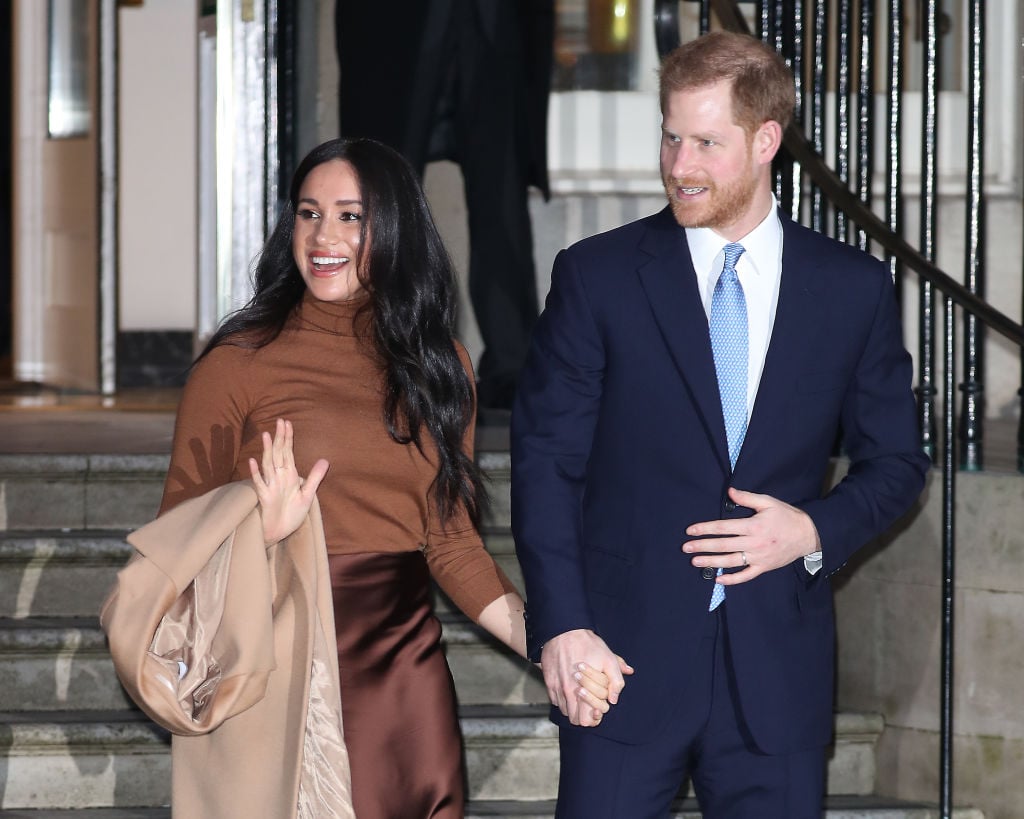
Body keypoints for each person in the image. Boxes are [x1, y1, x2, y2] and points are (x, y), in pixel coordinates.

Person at [510, 31, 930, 818]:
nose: (679, 164)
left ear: (766, 140)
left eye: (706, 142)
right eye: (671, 136)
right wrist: (562, 627)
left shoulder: (853, 291)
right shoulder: (596, 276)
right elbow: (543, 462)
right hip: (619, 666)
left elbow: (898, 463)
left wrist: (810, 530)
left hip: (777, 681)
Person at [160, 137, 611, 818]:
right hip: (281, 658)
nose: (323, 235)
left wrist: (554, 648)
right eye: (309, 213)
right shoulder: (238, 361)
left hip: (404, 671)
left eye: (351, 216)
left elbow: (452, 544)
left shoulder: (440, 363)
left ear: (394, 229)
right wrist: (260, 531)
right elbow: (175, 539)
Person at [335, 0, 554, 417]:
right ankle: (383, 351)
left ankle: (511, 363)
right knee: (384, 189)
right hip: (395, 21)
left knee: (501, 192)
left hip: (494, 19)